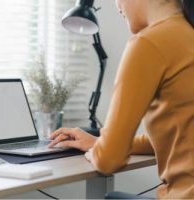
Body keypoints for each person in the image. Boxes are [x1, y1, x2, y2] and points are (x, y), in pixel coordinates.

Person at [48, 0, 194, 198]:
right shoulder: (187, 34)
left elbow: (109, 161)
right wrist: (99, 142)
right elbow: (180, 138)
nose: (116, 6)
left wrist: (100, 150)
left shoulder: (150, 42)